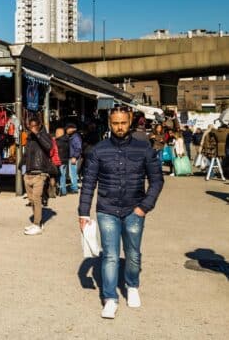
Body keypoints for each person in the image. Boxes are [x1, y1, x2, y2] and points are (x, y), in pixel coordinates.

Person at [78, 105, 164, 319]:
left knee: (133, 254)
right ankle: (110, 298)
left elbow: (156, 181)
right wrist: (83, 213)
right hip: (107, 209)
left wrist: (144, 207)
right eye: (115, 123)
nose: (119, 127)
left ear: (130, 121)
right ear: (110, 123)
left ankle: (132, 285)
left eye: (123, 123)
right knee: (110, 256)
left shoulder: (144, 149)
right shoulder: (98, 150)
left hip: (135, 210)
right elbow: (88, 183)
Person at [23, 117, 54, 236]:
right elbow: (27, 154)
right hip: (29, 172)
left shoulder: (45, 135)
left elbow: (48, 147)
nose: (32, 128)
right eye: (31, 126)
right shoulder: (30, 138)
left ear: (39, 125)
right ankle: (37, 223)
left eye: (34, 126)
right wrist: (22, 165)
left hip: (40, 172)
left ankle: (37, 225)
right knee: (31, 200)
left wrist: (38, 135)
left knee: (37, 199)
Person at [59, 123, 82, 195]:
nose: (67, 130)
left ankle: (74, 188)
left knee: (72, 173)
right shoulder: (72, 136)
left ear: (72, 129)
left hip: (73, 157)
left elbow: (78, 148)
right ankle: (74, 187)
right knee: (72, 173)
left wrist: (75, 157)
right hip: (71, 157)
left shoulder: (75, 137)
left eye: (68, 129)